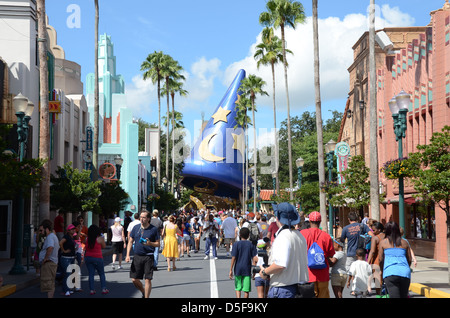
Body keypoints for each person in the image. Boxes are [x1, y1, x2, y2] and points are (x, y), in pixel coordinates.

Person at [259, 202, 309, 298]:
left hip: (283, 288)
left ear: (277, 217)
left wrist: (265, 272)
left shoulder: (283, 236)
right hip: (299, 287)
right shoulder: (300, 236)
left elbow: (280, 264)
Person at [126, 209, 160, 298]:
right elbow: (130, 241)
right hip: (137, 256)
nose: (141, 219)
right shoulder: (136, 228)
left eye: (144, 217)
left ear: (148, 219)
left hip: (148, 256)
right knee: (134, 279)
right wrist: (127, 255)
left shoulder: (153, 229)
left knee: (147, 280)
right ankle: (143, 291)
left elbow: (158, 243)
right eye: (141, 217)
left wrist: (150, 243)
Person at [300, 211, 335, 298]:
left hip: (308, 274)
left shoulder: (302, 234)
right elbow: (331, 254)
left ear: (310, 221)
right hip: (323, 274)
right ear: (320, 222)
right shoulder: (326, 236)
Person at [379, 221, 412, 298]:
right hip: (405, 272)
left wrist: (382, 270)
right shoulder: (404, 242)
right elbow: (409, 259)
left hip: (390, 272)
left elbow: (380, 259)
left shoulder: (383, 243)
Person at [229, 227, 258, 298]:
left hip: (238, 268)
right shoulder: (251, 245)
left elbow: (234, 257)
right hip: (247, 268)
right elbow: (255, 259)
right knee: (246, 290)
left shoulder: (236, 244)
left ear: (240, 235)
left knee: (238, 288)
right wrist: (254, 270)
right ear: (248, 235)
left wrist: (231, 269)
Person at [84, 224, 108, 295]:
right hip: (98, 257)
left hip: (88, 257)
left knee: (91, 274)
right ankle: (103, 289)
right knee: (101, 273)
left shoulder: (87, 239)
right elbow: (104, 246)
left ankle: (92, 290)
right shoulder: (100, 238)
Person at [38, 219, 60, 298]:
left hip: (49, 263)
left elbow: (50, 247)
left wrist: (45, 258)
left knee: (48, 284)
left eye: (41, 230)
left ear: (46, 229)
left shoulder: (50, 237)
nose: (40, 232)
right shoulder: (53, 236)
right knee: (50, 283)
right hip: (52, 263)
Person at [367, 221, 385, 295]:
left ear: (379, 230)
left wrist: (368, 262)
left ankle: (379, 295)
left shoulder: (375, 238)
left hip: (376, 261)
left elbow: (372, 251)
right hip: (386, 261)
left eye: (374, 230)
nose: (373, 232)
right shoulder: (387, 237)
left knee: (377, 282)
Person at [59, 224, 77, 296]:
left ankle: (68, 289)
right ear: (68, 230)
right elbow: (60, 243)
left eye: (74, 229)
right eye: (72, 229)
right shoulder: (66, 237)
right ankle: (66, 290)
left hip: (72, 257)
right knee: (67, 274)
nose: (73, 230)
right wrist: (64, 250)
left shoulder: (72, 237)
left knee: (70, 274)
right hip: (66, 258)